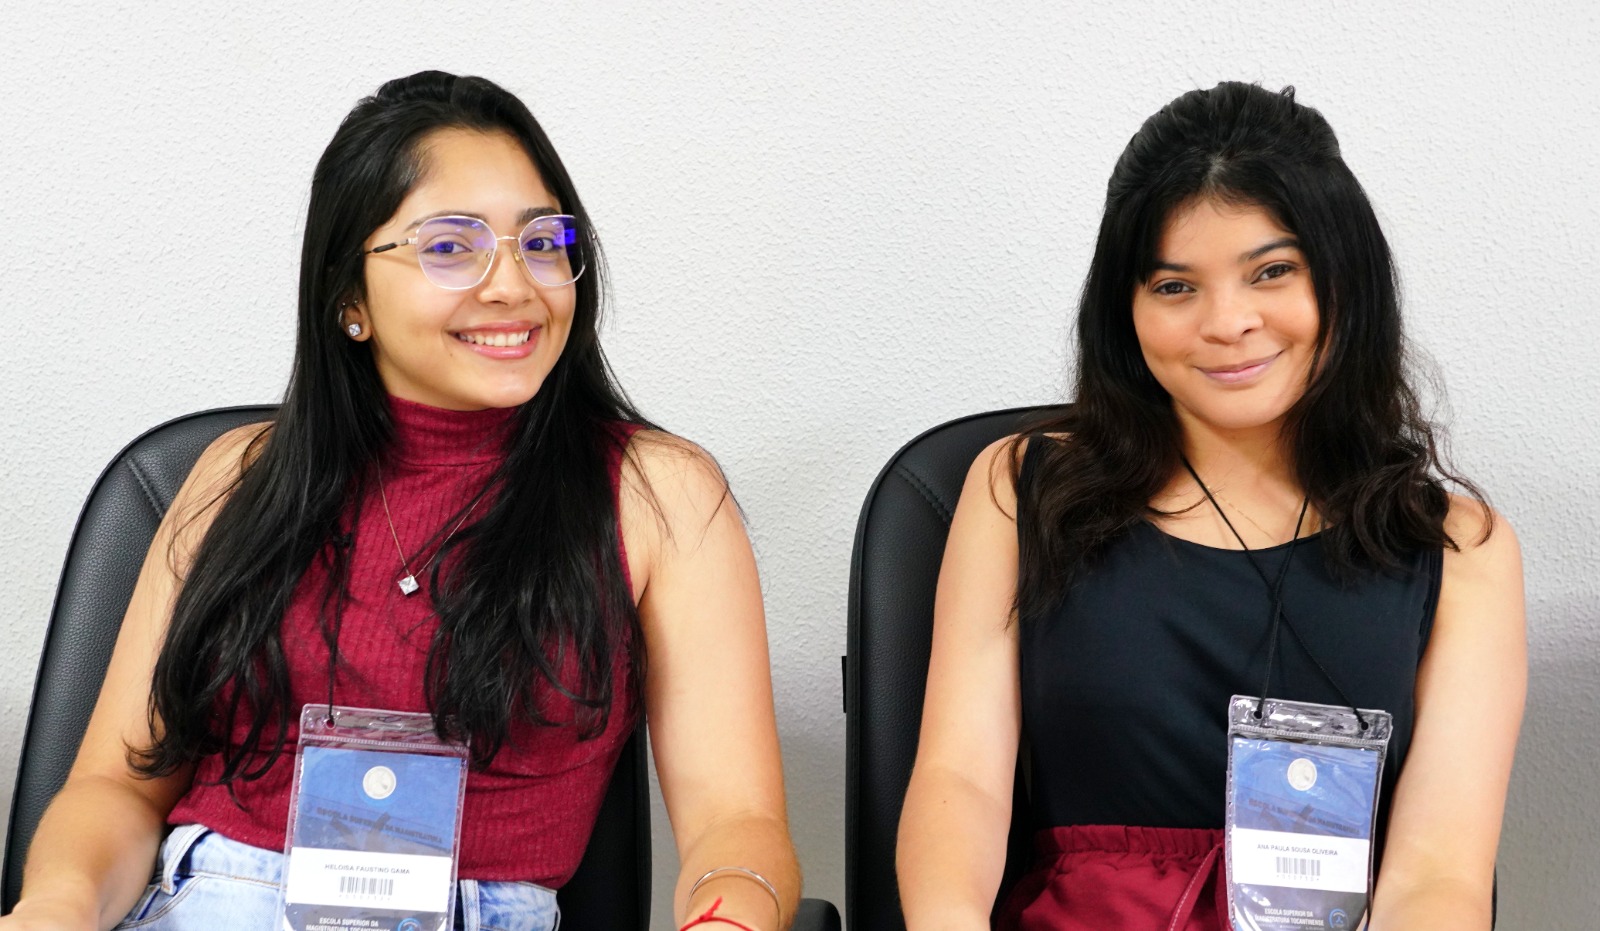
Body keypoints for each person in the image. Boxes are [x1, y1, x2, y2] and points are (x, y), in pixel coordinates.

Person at [3, 72, 797, 931]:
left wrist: (731, 917)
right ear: (350, 297)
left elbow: (735, 824)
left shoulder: (658, 493)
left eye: (542, 241)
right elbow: (116, 786)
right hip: (211, 899)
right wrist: (54, 909)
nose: (513, 284)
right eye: (452, 246)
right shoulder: (236, 476)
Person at [897, 82, 1524, 930]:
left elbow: (1439, 874)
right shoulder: (1020, 489)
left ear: (1346, 277)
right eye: (1174, 286)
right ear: (1125, 309)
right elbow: (960, 782)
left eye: (1272, 271)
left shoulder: (1459, 547)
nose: (1227, 323)